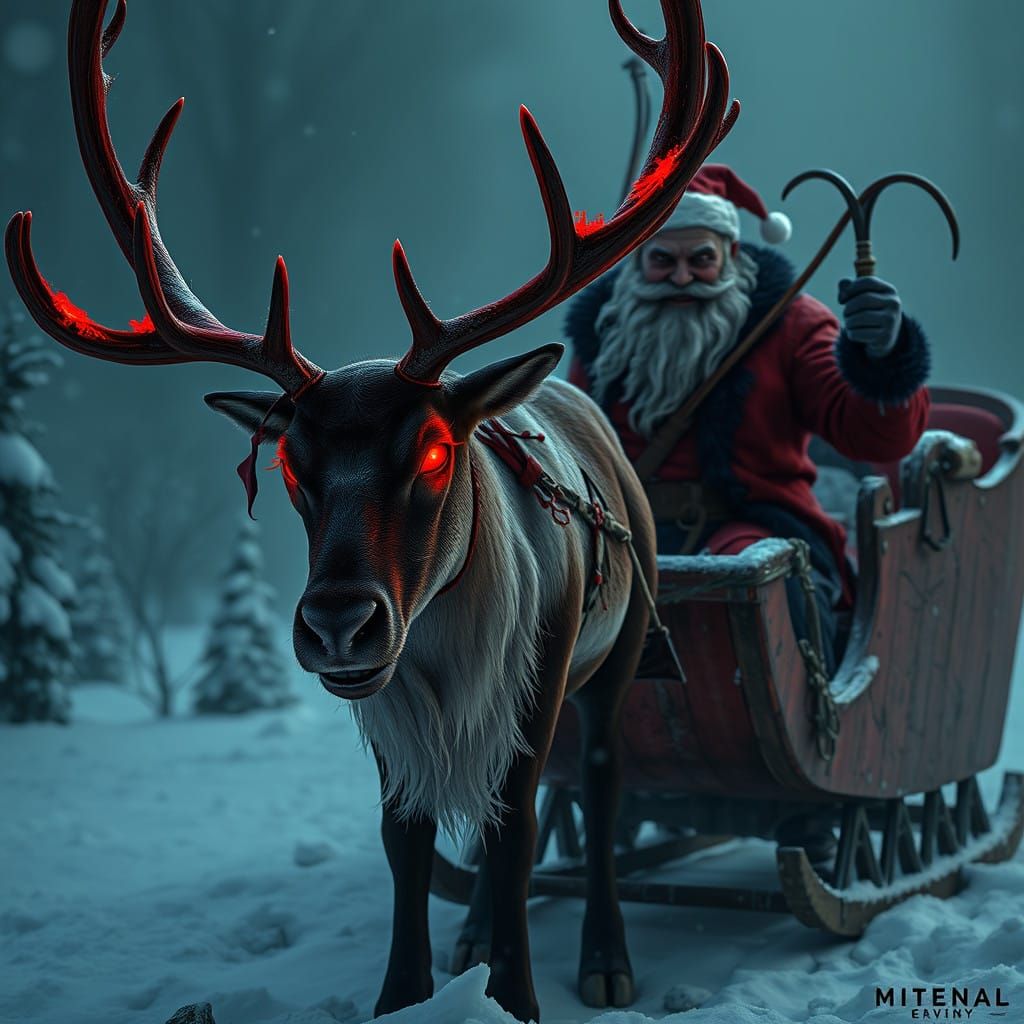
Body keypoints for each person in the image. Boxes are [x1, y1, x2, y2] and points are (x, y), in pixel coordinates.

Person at [566, 163, 930, 668]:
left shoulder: (793, 324)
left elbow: (871, 436)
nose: (681, 277)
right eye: (662, 260)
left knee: (758, 584)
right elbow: (572, 443)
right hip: (625, 532)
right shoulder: (606, 331)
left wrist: (882, 356)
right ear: (637, 260)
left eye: (701, 259)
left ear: (732, 255)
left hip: (753, 521)